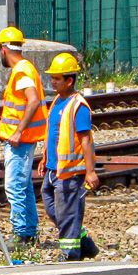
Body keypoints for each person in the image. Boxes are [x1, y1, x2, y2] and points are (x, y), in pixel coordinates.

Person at [35, 51, 100, 261]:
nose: (52, 82)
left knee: (67, 214)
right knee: (53, 208)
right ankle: (85, 245)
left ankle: (71, 254)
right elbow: (54, 135)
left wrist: (90, 171)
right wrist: (45, 159)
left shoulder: (78, 106)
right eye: (52, 77)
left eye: (57, 78)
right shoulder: (57, 101)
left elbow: (86, 140)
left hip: (70, 172)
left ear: (69, 80)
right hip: (54, 168)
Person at [0, 25, 48, 248]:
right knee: (24, 187)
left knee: (15, 187)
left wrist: (17, 131)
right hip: (25, 139)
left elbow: (33, 100)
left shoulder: (21, 72)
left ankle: (20, 236)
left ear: (3, 50)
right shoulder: (27, 68)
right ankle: (29, 233)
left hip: (20, 140)